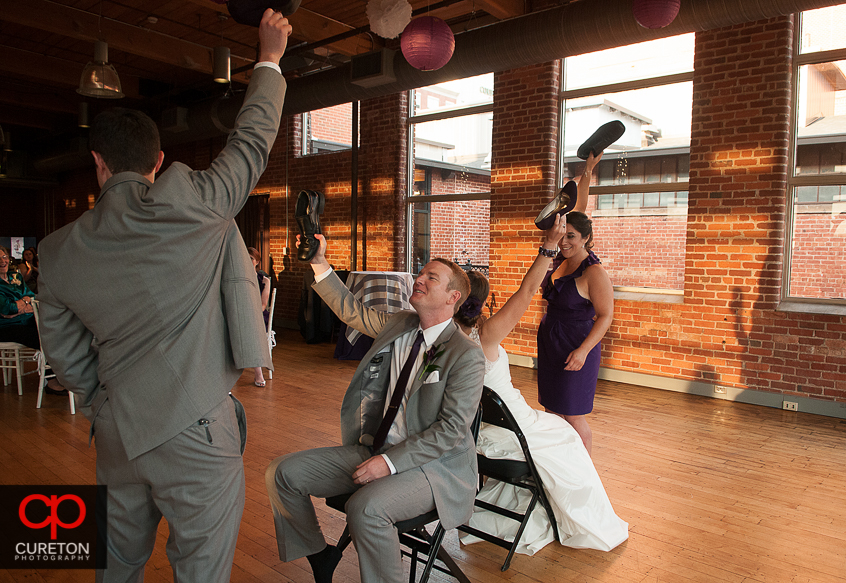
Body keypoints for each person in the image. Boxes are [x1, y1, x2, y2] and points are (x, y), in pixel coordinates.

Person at [35, 10, 291, 582]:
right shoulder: (195, 202)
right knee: (200, 571)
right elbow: (251, 144)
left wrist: (106, 403)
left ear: (96, 164)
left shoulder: (55, 253)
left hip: (118, 434)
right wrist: (269, 58)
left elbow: (67, 355)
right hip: (197, 431)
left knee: (117, 567)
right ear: (156, 162)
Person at [265, 234, 484, 583]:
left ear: (453, 297)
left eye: (432, 278)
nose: (420, 279)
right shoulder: (399, 324)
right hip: (376, 449)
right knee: (282, 473)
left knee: (364, 509)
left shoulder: (465, 355)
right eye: (421, 273)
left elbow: (451, 431)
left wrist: (390, 462)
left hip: (435, 470)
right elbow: (351, 310)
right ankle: (320, 555)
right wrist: (319, 261)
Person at [451, 218, 628, 555]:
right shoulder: (487, 336)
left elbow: (603, 313)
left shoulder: (445, 335)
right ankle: (571, 513)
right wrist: (549, 247)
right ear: (483, 303)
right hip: (513, 426)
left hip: (477, 430)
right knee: (566, 437)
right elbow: (527, 291)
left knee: (567, 423)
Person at [537, 152, 613, 454]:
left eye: (571, 236)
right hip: (551, 342)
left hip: (576, 345)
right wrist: (588, 171)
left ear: (586, 238)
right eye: (561, 234)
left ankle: (584, 479)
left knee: (573, 415)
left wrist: (584, 350)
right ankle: (558, 469)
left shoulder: (593, 272)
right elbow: (577, 207)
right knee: (552, 413)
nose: (563, 240)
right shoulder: (557, 259)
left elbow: (606, 316)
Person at [0, 245, 37, 348]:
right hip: (7, 326)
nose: (2, 261)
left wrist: (20, 306)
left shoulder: (16, 276)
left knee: (53, 330)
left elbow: (31, 296)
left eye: (4, 257)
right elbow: (7, 309)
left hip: (28, 320)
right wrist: (25, 305)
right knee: (38, 338)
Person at [248, 246, 271, 387]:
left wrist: (250, 312)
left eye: (251, 258)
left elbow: (263, 304)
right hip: (241, 314)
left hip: (258, 314)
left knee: (252, 331)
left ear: (257, 261)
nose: (247, 261)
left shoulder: (264, 280)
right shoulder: (237, 278)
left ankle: (258, 373)